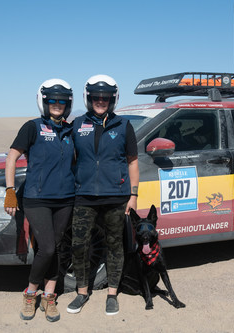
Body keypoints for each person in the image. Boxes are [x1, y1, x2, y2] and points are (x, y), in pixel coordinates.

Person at [67, 74, 139, 316]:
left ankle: (112, 293)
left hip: (115, 196)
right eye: (96, 97)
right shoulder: (77, 125)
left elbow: (132, 162)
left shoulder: (123, 126)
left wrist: (133, 194)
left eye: (105, 97)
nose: (101, 101)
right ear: (89, 99)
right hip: (84, 195)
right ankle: (82, 291)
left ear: (112, 99)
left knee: (114, 244)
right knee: (78, 245)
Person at [4, 78, 75, 322]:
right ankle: (30, 293)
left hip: (65, 199)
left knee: (55, 249)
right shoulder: (32, 127)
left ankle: (49, 298)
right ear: (44, 102)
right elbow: (12, 157)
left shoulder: (69, 130)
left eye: (62, 101)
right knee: (47, 248)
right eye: (52, 101)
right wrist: (10, 190)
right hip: (37, 199)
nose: (57, 105)